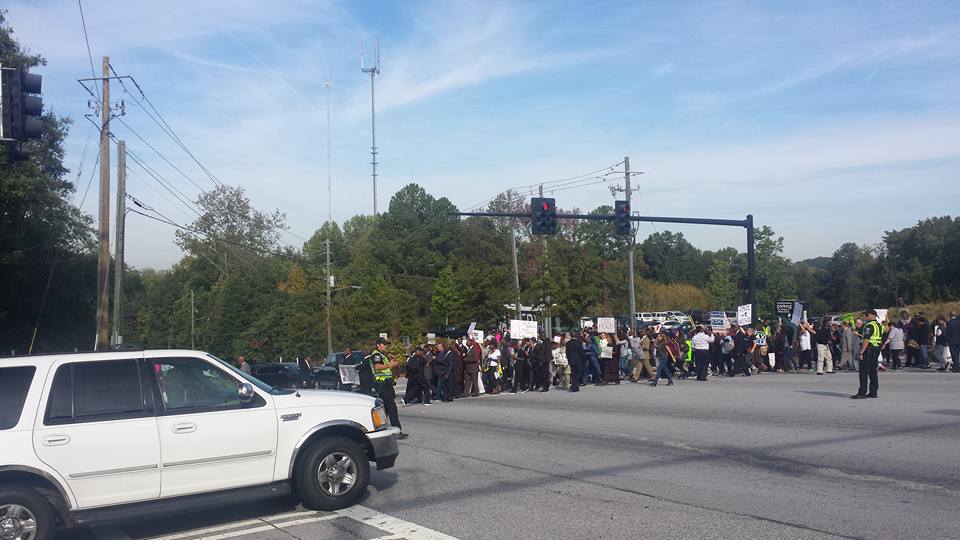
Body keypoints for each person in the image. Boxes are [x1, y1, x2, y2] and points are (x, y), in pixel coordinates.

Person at [367, 337, 408, 438]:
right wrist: (390, 365)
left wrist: (393, 361)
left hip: (387, 384)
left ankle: (376, 430)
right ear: (378, 345)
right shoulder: (376, 355)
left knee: (385, 410)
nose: (386, 346)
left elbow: (389, 366)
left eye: (386, 344)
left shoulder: (383, 355)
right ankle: (397, 432)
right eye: (384, 344)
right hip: (382, 384)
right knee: (392, 408)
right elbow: (377, 367)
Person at [853, 310, 881, 399]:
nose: (865, 317)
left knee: (863, 372)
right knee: (873, 372)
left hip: (868, 350)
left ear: (872, 315)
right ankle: (873, 392)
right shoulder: (879, 325)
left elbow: (866, 340)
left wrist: (861, 352)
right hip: (876, 350)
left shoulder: (869, 326)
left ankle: (862, 393)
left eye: (867, 315)